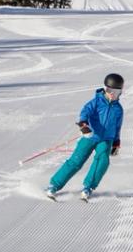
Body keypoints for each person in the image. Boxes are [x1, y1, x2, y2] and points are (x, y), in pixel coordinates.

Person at [46, 72, 125, 201]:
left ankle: (88, 187)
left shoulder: (118, 109)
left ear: (120, 92)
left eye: (116, 92)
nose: (112, 94)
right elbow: (85, 112)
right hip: (90, 136)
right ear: (105, 89)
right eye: (110, 90)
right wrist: (84, 125)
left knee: (102, 161)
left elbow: (117, 127)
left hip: (106, 140)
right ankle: (54, 185)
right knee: (76, 161)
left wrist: (116, 142)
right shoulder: (96, 102)